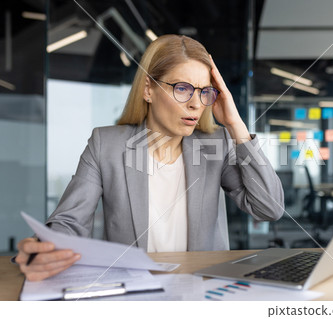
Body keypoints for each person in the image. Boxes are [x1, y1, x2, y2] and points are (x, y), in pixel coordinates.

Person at [15, 34, 284, 281]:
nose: (195, 104)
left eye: (204, 92)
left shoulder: (216, 144)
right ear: (148, 89)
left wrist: (235, 124)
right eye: (182, 88)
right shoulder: (105, 144)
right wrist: (45, 249)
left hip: (203, 291)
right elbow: (69, 222)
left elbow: (269, 208)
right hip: (133, 291)